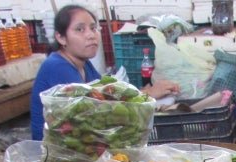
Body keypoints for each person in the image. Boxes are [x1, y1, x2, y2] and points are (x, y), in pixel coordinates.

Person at [30, 4, 180, 140]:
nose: (90, 35)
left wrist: (142, 93)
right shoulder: (57, 67)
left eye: (93, 28)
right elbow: (98, 111)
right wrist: (148, 94)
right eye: (80, 29)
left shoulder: (85, 64)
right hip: (54, 150)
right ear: (61, 38)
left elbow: (107, 95)